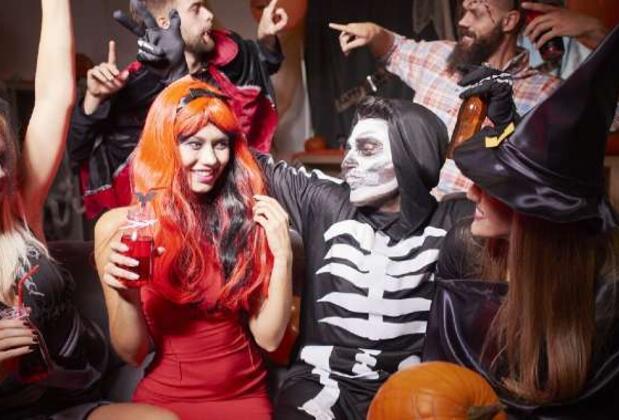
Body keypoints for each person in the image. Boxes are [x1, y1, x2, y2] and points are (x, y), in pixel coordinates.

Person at [423, 25, 619, 417]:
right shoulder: (464, 247)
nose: (471, 194)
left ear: (538, 213)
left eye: (493, 187)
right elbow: (439, 383)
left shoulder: (606, 297)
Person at [251, 97, 472, 419]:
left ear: (415, 156)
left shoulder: (453, 219)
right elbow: (243, 160)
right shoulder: (325, 201)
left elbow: (525, 204)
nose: (347, 162)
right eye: (349, 149)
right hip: (319, 384)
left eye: (367, 149)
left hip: (414, 391)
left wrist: (504, 123)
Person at [0, 1, 166, 419]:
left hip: (80, 398)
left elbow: (54, 99)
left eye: (2, 157)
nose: (1, 172)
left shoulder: (18, 210)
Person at [94, 77, 293, 419]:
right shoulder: (119, 227)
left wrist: (283, 256)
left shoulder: (241, 219)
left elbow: (270, 339)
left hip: (243, 397)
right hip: (166, 401)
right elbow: (133, 353)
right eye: (194, 144)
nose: (211, 159)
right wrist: (126, 295)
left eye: (220, 144)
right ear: (165, 145)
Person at [329, 0, 619, 199]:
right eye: (464, 10)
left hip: (475, 235)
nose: (463, 21)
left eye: (477, 13)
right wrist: (374, 32)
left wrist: (596, 33)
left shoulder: (545, 93)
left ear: (509, 21)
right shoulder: (440, 58)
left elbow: (614, 115)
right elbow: (395, 48)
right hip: (408, 217)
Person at [69, 0, 288, 219]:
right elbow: (76, 151)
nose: (209, 15)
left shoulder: (229, 52)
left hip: (238, 212)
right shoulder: (136, 86)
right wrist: (93, 99)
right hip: (169, 221)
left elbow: (259, 65)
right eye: (196, 8)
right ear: (165, 22)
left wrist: (266, 39)